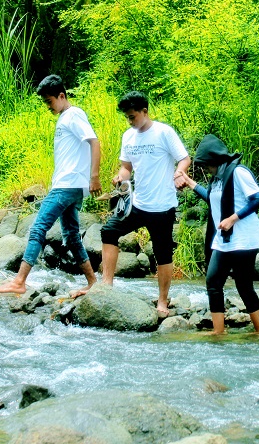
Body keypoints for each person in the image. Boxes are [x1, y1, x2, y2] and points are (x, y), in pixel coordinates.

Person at [80, 91, 190, 316]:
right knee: (109, 231)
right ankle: (107, 285)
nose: (130, 122)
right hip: (137, 205)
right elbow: (126, 167)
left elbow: (184, 158)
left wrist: (180, 172)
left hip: (162, 206)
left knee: (163, 253)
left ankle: (162, 301)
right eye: (127, 118)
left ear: (145, 112)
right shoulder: (128, 137)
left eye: (133, 117)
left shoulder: (163, 132)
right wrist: (121, 177)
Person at [0, 75, 102, 294]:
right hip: (69, 185)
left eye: (49, 102)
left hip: (67, 185)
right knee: (71, 235)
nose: (48, 107)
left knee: (38, 228)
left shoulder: (73, 115)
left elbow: (94, 141)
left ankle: (19, 282)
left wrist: (95, 176)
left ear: (61, 96)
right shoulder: (65, 117)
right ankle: (92, 283)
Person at [177, 135, 259, 335]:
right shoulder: (216, 180)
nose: (206, 169)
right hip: (223, 240)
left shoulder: (238, 172)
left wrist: (233, 218)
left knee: (244, 286)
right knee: (213, 282)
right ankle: (219, 332)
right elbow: (212, 199)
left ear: (216, 161)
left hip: (243, 240)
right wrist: (191, 183)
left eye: (207, 165)